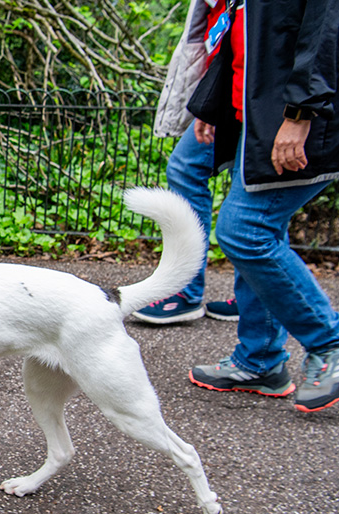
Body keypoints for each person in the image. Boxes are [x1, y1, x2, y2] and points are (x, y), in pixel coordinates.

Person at [186, 0, 339, 412]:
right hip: (253, 116)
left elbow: (325, 32)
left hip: (295, 120)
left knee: (245, 232)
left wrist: (300, 112)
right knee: (260, 232)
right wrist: (213, 105)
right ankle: (259, 361)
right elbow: (240, 31)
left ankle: (329, 342)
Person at [133, 0, 239, 325]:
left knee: (248, 208)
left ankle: (253, 301)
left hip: (251, 94)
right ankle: (191, 291)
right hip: (223, 86)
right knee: (187, 168)